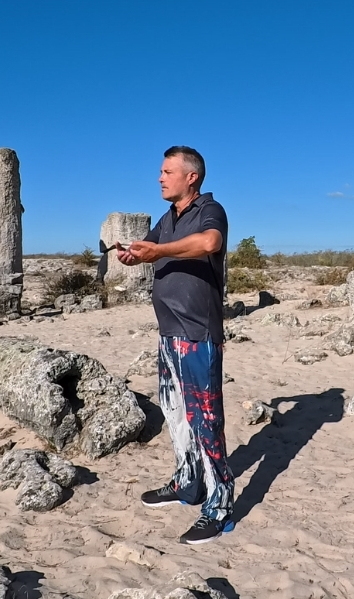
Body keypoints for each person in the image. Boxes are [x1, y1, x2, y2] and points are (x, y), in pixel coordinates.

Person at [117, 146, 234, 545]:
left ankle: (220, 506)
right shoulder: (167, 219)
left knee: (205, 420)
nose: (160, 177)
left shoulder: (209, 210)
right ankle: (188, 482)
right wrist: (134, 255)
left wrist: (159, 251)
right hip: (168, 334)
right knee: (175, 413)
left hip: (198, 334)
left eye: (168, 171)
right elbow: (148, 250)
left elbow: (209, 243)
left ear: (192, 177)